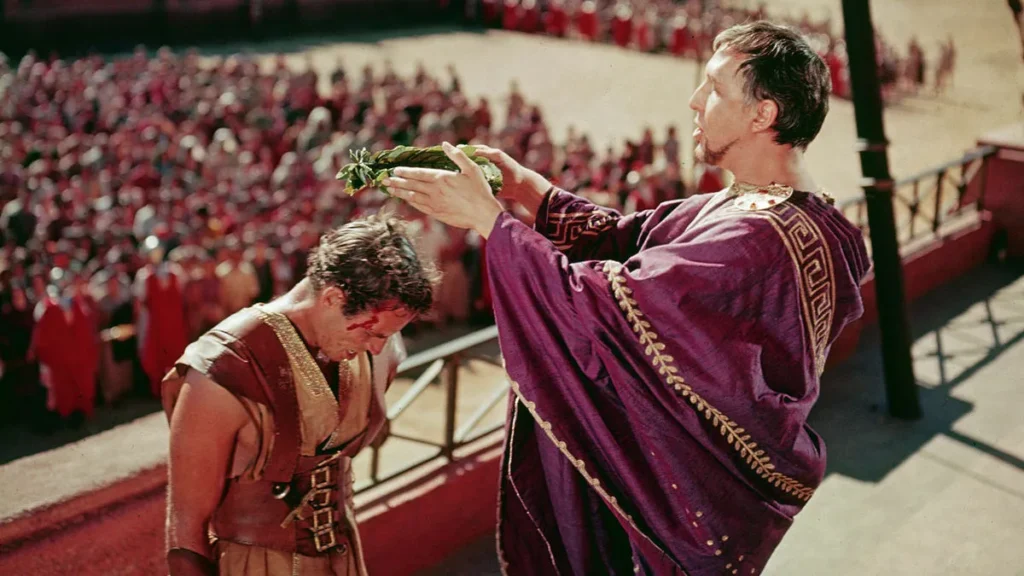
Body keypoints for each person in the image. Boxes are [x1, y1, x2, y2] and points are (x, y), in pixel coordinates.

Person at [383, 21, 871, 575]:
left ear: (764, 115)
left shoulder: (755, 238)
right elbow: (630, 241)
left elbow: (609, 306)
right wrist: (527, 190)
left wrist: (489, 223)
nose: (694, 101)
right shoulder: (786, 209)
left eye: (713, 89)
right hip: (692, 487)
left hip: (679, 500)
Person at [161, 213, 439, 576]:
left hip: (344, 560)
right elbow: (185, 530)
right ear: (333, 298)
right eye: (371, 335)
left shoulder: (374, 342)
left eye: (384, 337)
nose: (376, 348)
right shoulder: (224, 371)